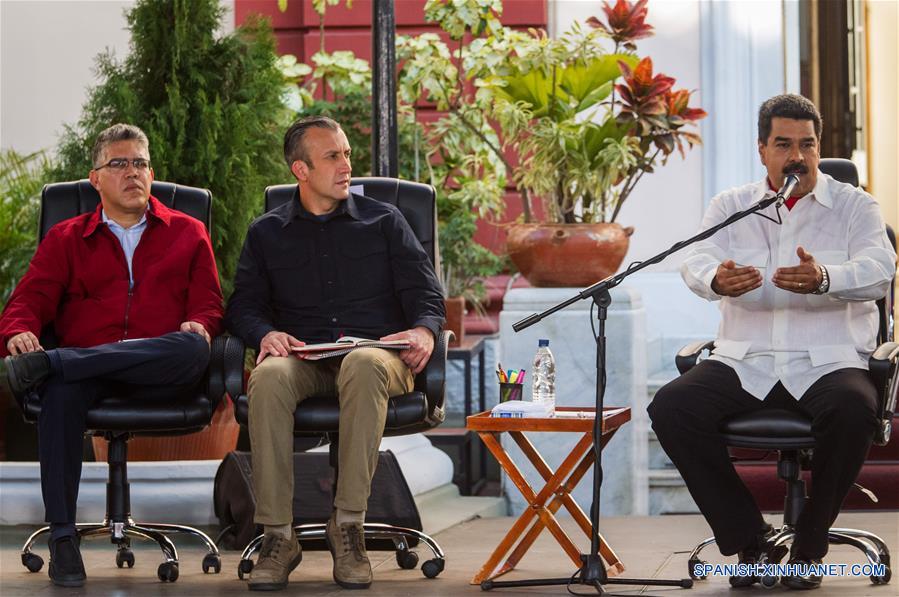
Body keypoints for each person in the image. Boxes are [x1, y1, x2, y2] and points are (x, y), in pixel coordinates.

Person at [648, 94, 895, 591]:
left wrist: (826, 277)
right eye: (783, 144)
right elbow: (694, 259)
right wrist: (716, 280)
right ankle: (751, 538)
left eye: (807, 144)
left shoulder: (855, 206)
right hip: (747, 360)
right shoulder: (732, 206)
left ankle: (809, 544)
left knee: (852, 408)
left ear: (820, 148)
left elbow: (881, 270)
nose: (797, 157)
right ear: (762, 149)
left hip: (829, 362)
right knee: (672, 408)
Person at [225, 116, 445, 592]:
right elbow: (243, 306)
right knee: (266, 377)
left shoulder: (385, 221)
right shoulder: (267, 232)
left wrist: (426, 331)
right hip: (306, 358)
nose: (346, 165)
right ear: (300, 170)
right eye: (333, 156)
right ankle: (278, 536)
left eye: (347, 154)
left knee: (363, 364)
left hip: (378, 356)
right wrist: (264, 333)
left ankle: (349, 527)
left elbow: (427, 295)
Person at [0, 123, 223, 588]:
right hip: (89, 376)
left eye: (139, 163)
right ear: (95, 178)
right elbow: (27, 301)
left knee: (190, 346)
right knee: (62, 390)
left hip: (163, 368)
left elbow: (209, 304)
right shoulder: (66, 237)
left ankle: (61, 362)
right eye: (118, 164)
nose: (132, 172)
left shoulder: (188, 232)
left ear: (152, 172)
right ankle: (63, 538)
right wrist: (19, 332)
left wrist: (201, 323)